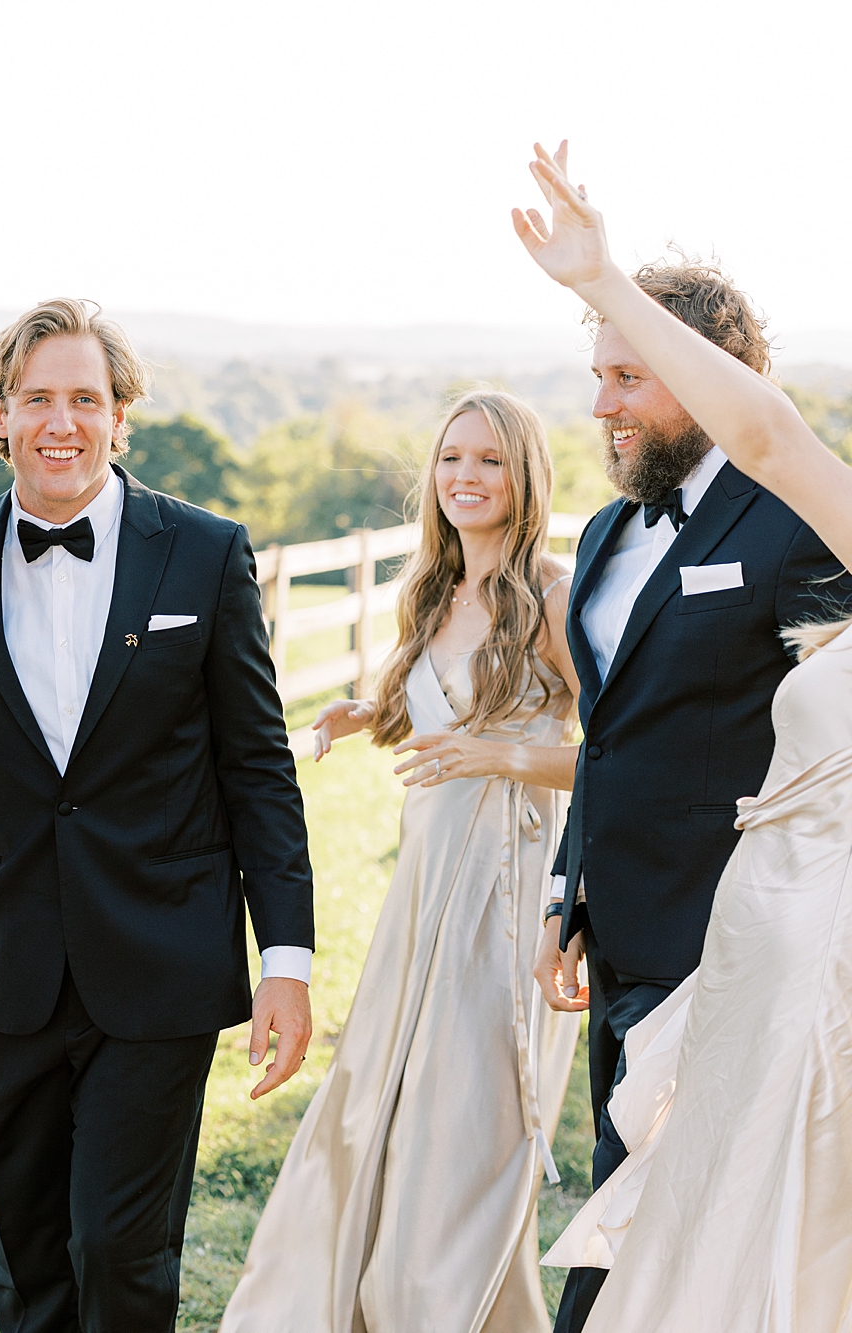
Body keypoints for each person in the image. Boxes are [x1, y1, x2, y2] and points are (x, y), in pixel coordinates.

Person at [500, 145, 846, 1332]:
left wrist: (604, 278)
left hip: (757, 941)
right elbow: (607, 734)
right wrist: (572, 884)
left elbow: (768, 441)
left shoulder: (798, 525)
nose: (600, 405)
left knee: (681, 1221)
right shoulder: (604, 533)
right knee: (633, 1201)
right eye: (594, 375)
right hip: (630, 925)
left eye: (629, 375)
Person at [0, 298, 317, 1331]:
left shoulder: (200, 553)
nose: (62, 421)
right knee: (29, 1258)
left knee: (121, 1253)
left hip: (161, 962)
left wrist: (287, 961)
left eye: (84, 399)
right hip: (10, 969)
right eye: (36, 398)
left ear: (119, 417)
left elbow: (258, 769)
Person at [221, 389, 581, 1332]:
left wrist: (503, 753)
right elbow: (441, 715)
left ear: (525, 475)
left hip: (506, 892)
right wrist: (370, 714)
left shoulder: (554, 594)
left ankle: (438, 1305)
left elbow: (621, 756)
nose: (465, 476)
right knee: (379, 1095)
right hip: (422, 890)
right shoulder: (429, 588)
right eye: (451, 457)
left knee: (461, 1121)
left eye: (489, 460)